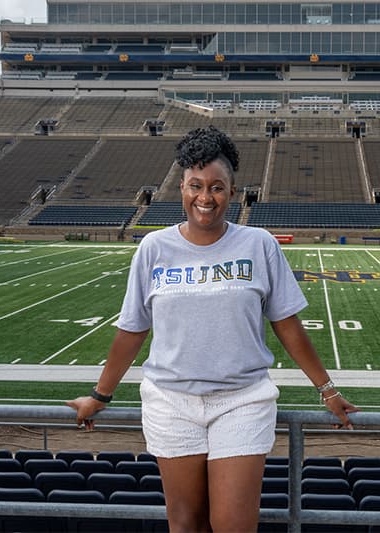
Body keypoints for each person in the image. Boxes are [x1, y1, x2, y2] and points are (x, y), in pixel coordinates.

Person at [67, 126, 358, 533]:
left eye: (217, 188)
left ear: (234, 192)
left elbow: (286, 323)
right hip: (171, 401)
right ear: (182, 188)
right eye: (196, 186)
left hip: (242, 400)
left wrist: (327, 390)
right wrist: (99, 396)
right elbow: (132, 329)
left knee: (232, 526)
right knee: (186, 525)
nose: (205, 198)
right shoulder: (154, 248)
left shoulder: (259, 245)